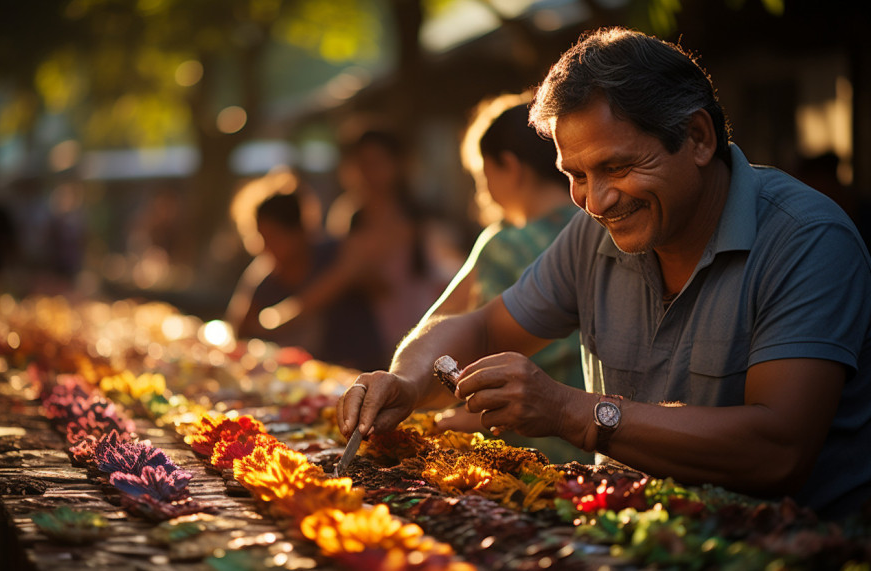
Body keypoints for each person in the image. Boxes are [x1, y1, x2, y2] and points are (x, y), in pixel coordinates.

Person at [337, 27, 871, 519]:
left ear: (699, 138)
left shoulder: (808, 240)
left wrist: (570, 410)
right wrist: (406, 382)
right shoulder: (594, 233)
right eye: (576, 175)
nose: (596, 200)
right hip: (624, 538)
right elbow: (479, 329)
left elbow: (777, 450)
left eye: (618, 167)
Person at [425, 94, 588, 462]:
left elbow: (441, 332)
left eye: (484, 177)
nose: (483, 193)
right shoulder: (602, 230)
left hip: (532, 452)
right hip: (606, 444)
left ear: (510, 167)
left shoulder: (505, 244)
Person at [261, 130, 450, 359]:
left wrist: (278, 319)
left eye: (377, 162)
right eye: (361, 163)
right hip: (366, 347)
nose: (368, 173)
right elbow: (339, 278)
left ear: (398, 165)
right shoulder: (348, 217)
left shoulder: (424, 223)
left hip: (420, 341)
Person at [225, 168, 385, 371]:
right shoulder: (264, 276)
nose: (266, 247)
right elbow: (238, 332)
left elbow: (380, 285)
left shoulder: (334, 256)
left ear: (299, 231)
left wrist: (342, 278)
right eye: (260, 238)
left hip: (356, 369)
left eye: (274, 237)